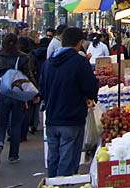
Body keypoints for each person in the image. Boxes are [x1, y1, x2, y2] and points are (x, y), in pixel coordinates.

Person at [41, 27, 99, 178]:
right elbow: (91, 87)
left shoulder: (48, 63)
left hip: (52, 117)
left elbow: (42, 89)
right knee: (68, 159)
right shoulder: (79, 62)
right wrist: (90, 97)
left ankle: (52, 184)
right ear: (79, 43)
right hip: (72, 117)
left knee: (53, 158)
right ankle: (64, 184)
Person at [0, 32, 35, 167]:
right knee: (16, 125)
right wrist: (35, 91)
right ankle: (13, 155)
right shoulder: (23, 57)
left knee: (1, 123)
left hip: (3, 93)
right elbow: (28, 75)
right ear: (17, 43)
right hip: (18, 94)